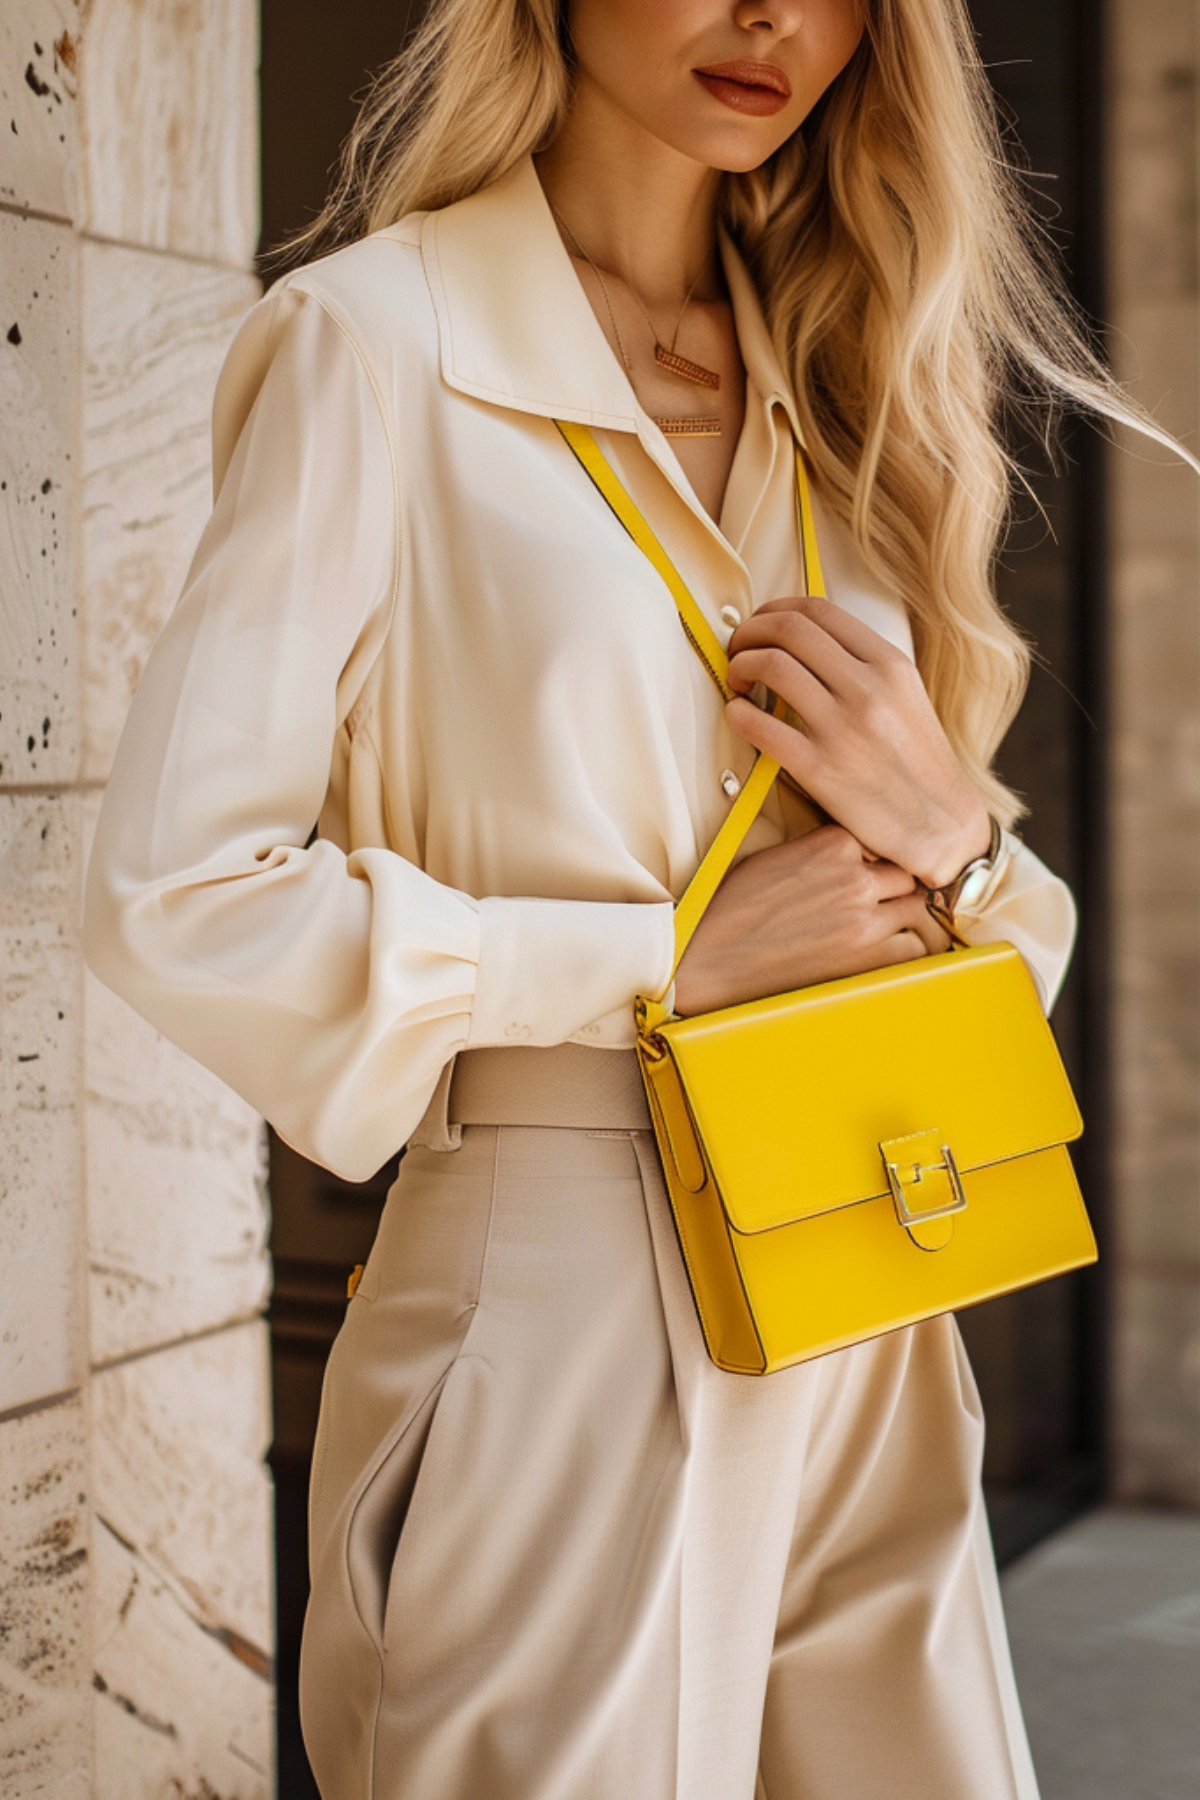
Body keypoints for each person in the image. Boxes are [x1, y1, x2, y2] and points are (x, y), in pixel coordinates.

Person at [81, 1, 1183, 1796]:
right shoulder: (377, 346)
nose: (773, 17)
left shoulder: (845, 388)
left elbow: (993, 931)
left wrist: (955, 834)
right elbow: (176, 892)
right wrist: (654, 964)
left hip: (868, 1268)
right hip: (563, 1274)